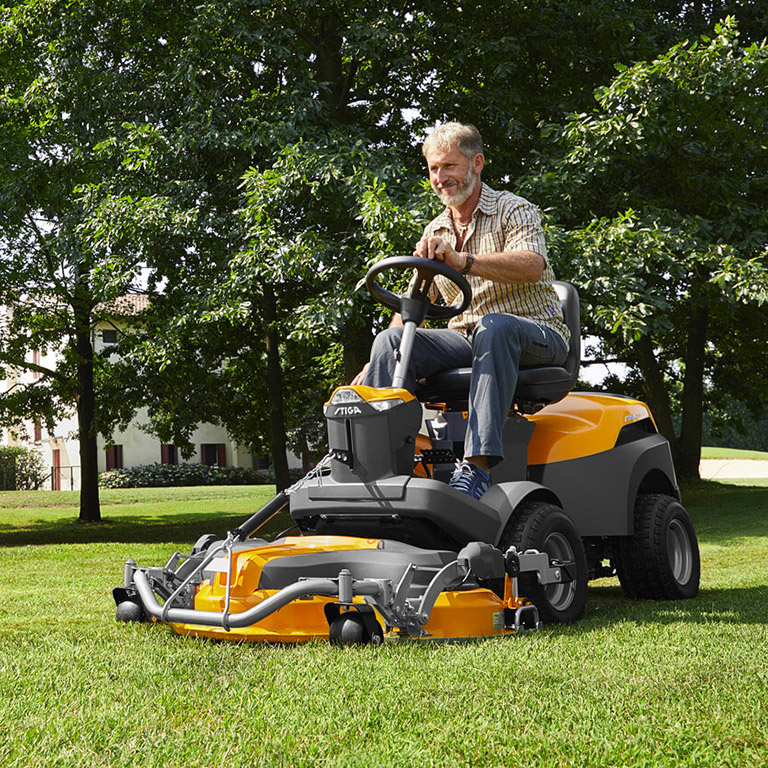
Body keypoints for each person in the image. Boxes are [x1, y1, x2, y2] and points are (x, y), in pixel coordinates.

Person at [353, 122, 569, 500]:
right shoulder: (435, 229)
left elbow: (532, 265)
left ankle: (477, 468)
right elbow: (414, 305)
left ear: (477, 163)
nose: (441, 177)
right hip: (468, 339)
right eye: (434, 169)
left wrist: (463, 261)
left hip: (537, 334)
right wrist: (377, 362)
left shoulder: (513, 210)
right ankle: (381, 467)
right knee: (390, 341)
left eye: (449, 166)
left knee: (494, 326)